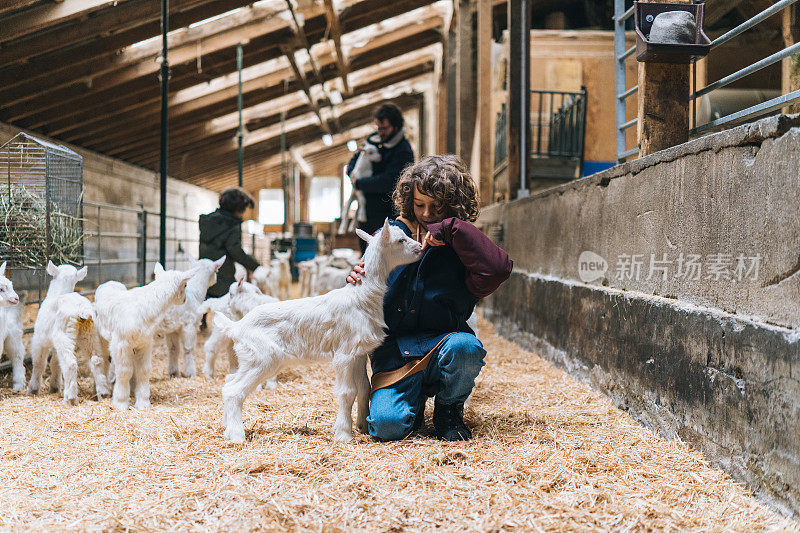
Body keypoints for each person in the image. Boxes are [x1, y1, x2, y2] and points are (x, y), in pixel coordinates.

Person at [346, 155, 513, 441]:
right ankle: (412, 397)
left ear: (453, 205)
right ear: (408, 200)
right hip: (396, 355)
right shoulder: (387, 237)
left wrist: (451, 230)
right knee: (387, 428)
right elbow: (363, 292)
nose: (426, 214)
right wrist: (354, 281)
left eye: (437, 207)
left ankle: (448, 410)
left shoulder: (462, 245)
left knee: (467, 348)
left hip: (444, 343)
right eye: (420, 204)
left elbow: (498, 269)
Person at [346, 102, 415, 253]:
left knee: (385, 254)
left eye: (384, 128)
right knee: (367, 254)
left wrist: (359, 183)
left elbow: (389, 181)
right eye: (378, 127)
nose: (380, 132)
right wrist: (351, 173)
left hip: (387, 214)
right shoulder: (373, 140)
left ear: (395, 126)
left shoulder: (403, 150)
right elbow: (355, 160)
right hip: (366, 214)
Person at [199, 187, 260, 299]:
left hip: (203, 275)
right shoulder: (230, 225)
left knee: (202, 305)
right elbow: (236, 251)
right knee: (230, 304)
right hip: (222, 277)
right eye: (244, 209)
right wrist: (256, 267)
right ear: (238, 208)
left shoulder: (208, 222)